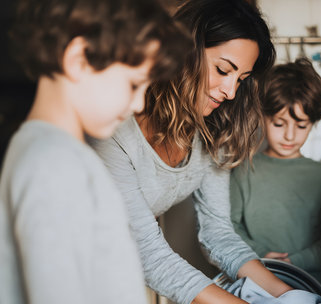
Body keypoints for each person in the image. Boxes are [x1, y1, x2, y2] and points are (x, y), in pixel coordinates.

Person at [89, 0, 297, 303]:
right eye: (222, 69)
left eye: (240, 79)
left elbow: (218, 234)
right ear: (183, 51)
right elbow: (150, 254)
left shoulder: (212, 132)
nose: (230, 92)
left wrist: (291, 296)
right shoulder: (115, 131)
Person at [0, 0, 190, 303]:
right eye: (133, 85)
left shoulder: (56, 153)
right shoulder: (52, 163)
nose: (139, 104)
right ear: (79, 60)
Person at [230, 58, 321, 288]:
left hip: (311, 287)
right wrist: (263, 255)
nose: (290, 136)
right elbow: (230, 228)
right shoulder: (244, 170)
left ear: (313, 123)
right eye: (279, 124)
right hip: (255, 284)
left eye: (301, 126)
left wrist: (294, 261)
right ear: (262, 117)